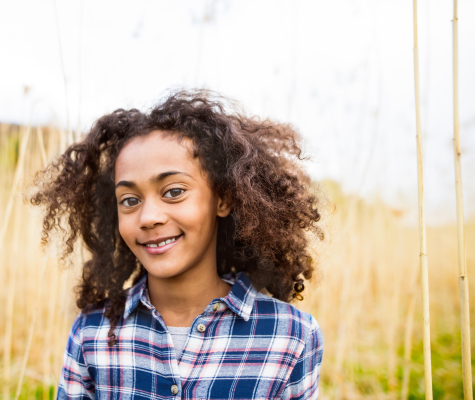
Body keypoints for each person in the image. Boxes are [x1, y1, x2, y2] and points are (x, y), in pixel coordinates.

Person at [30, 90, 324, 400]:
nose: (149, 217)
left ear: (222, 198)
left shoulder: (290, 336)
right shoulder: (92, 333)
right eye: (129, 200)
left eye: (173, 192)